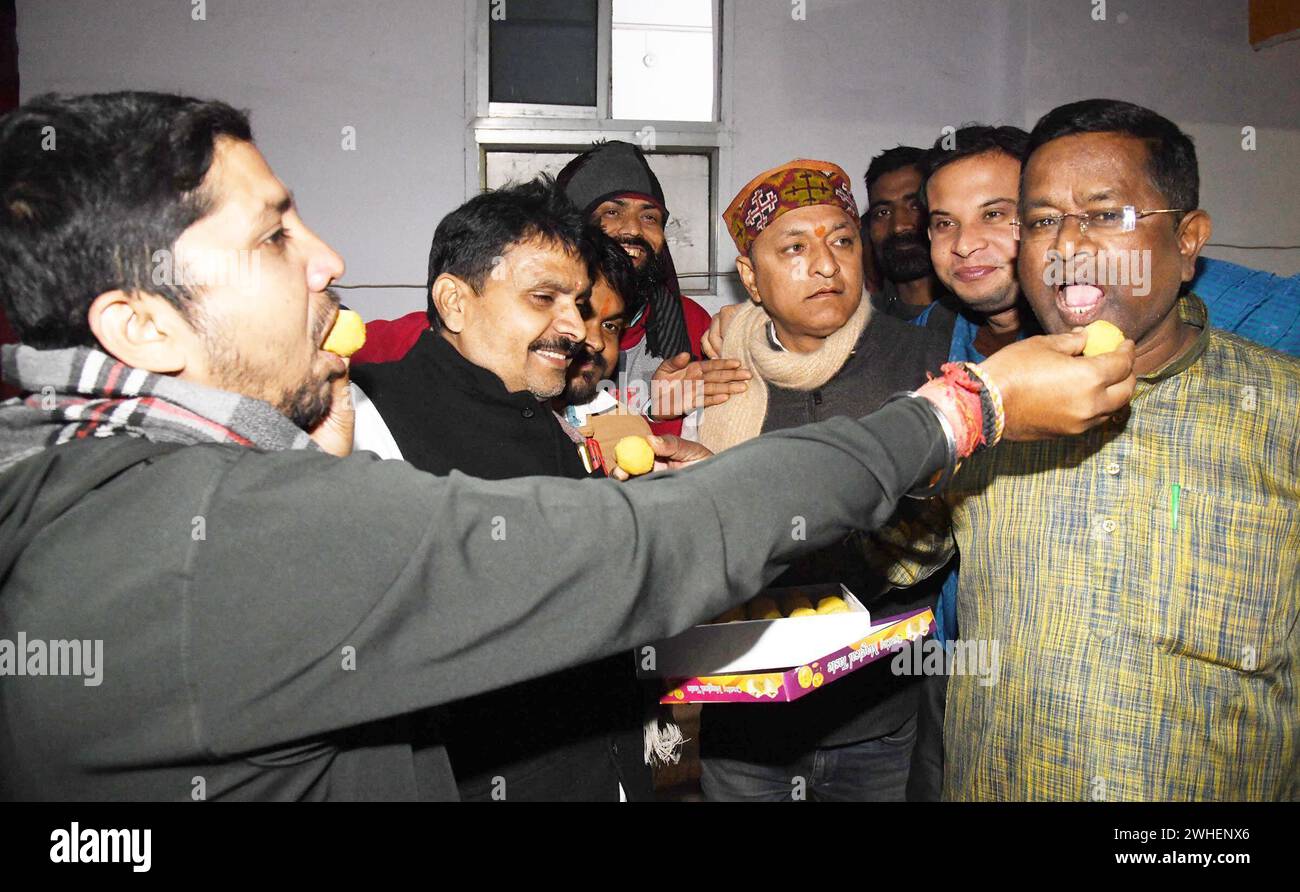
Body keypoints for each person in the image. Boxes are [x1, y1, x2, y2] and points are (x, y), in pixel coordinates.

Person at [0, 91, 1135, 801]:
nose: (328, 256)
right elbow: (649, 546)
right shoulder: (229, 538)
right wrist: (963, 409)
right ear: (137, 324)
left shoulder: (82, 480)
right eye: (274, 233)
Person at [903, 99, 1298, 801]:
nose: (1067, 246)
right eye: (1045, 221)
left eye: (1105, 214)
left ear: (1187, 240)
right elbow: (888, 558)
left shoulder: (1283, 412)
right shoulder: (987, 403)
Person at [351, 206, 655, 802]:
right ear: (455, 302)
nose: (575, 329)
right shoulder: (368, 426)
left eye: (579, 303)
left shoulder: (537, 411)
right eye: (544, 298)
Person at [693, 159, 949, 802]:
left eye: (841, 240)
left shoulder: (923, 362)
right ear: (751, 277)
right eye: (795, 248)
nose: (827, 265)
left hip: (877, 719)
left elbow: (950, 524)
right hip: (746, 722)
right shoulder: (720, 374)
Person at [862, 145, 956, 338]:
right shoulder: (863, 329)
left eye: (914, 206)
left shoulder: (980, 320)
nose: (899, 226)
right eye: (883, 212)